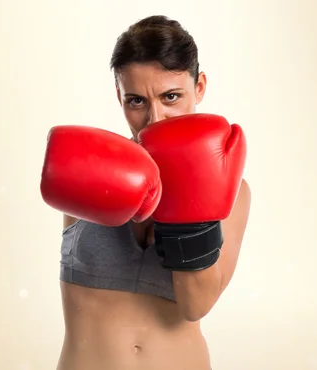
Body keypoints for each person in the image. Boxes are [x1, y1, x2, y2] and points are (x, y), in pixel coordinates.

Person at [40, 15, 252, 370]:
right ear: (119, 97)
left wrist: (187, 202)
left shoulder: (231, 190)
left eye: (171, 97)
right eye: (136, 101)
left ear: (199, 87)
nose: (155, 119)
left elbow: (195, 305)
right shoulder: (90, 166)